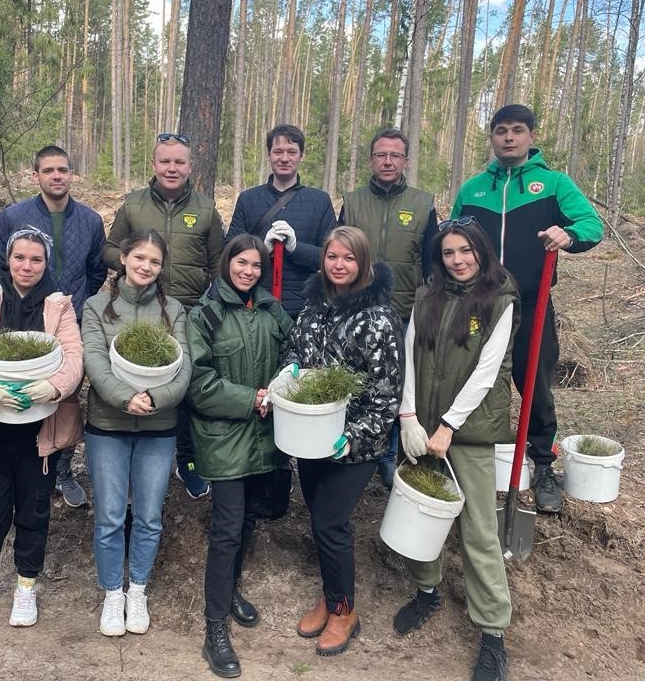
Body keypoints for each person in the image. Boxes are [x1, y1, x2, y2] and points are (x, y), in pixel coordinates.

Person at [452, 104, 603, 513]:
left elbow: (592, 226)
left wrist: (567, 233)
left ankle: (541, 464)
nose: (509, 138)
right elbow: (451, 239)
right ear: (492, 137)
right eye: (501, 130)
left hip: (531, 304)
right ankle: (463, 452)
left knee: (533, 384)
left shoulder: (553, 184)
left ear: (530, 137)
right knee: (470, 377)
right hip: (479, 302)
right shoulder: (472, 190)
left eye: (517, 130)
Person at [392, 218, 520, 681]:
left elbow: (488, 371)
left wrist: (448, 426)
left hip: (466, 433)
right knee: (420, 511)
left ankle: (492, 632)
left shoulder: (499, 299)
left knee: (478, 530)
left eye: (465, 250)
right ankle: (427, 591)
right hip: (421, 425)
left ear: (481, 251)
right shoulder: (426, 296)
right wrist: (408, 417)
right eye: (448, 253)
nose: (458, 260)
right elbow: (408, 355)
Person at [0, 228, 84, 628]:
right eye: (20, 258)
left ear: (47, 264)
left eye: (36, 259)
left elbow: (74, 355)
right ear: (8, 260)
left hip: (40, 432)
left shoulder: (60, 307)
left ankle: (26, 586)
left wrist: (53, 387)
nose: (27, 266)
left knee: (33, 511)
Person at [284, 226, 403, 657]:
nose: (338, 265)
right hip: (311, 434)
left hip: (354, 445)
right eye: (332, 257)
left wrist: (352, 438)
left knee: (330, 523)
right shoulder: (315, 304)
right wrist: (290, 370)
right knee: (321, 520)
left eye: (348, 259)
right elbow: (298, 349)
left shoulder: (380, 318)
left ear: (363, 263)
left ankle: (344, 611)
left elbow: (387, 393)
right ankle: (333, 592)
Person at [186, 234, 293, 678]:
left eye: (255, 265)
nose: (247, 271)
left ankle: (230, 591)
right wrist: (252, 398)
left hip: (264, 437)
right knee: (227, 528)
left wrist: (287, 384)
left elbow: (292, 355)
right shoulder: (205, 314)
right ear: (227, 263)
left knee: (250, 518)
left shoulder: (271, 310)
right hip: (224, 437)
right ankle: (214, 629)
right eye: (240, 263)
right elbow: (198, 382)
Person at [103, 133, 226, 500]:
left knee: (185, 388)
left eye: (180, 162)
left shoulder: (205, 209)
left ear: (190, 166)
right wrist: (134, 262)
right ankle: (129, 458)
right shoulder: (133, 205)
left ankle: (186, 461)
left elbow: (219, 264)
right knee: (131, 379)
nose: (172, 168)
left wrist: (215, 305)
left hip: (185, 311)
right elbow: (109, 249)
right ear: (154, 164)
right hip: (136, 311)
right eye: (165, 161)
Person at [81, 231, 191, 637]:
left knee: (149, 516)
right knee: (110, 516)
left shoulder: (174, 310)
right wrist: (125, 399)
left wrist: (157, 400)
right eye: (139, 257)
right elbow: (94, 359)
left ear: (162, 268)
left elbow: (185, 367)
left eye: (155, 261)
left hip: (158, 429)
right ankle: (113, 592)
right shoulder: (96, 307)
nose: (146, 266)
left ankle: (137, 589)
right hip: (107, 426)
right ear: (123, 258)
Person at [0, 144, 106, 509]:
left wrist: (73, 304)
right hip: (20, 324)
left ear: (72, 175)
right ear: (35, 176)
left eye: (63, 170)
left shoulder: (90, 220)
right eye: (49, 170)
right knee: (19, 391)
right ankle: (20, 464)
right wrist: (22, 306)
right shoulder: (14, 216)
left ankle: (62, 468)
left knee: (66, 395)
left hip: (72, 320)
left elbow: (97, 270)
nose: (57, 176)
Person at [339, 127, 439, 490]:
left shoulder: (423, 203)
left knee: (395, 384)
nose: (387, 161)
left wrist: (427, 309)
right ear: (371, 159)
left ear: (405, 161)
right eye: (381, 154)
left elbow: (432, 264)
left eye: (395, 155)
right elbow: (339, 255)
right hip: (357, 310)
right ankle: (352, 444)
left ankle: (386, 454)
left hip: (403, 312)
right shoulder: (352, 202)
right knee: (357, 380)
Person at [226, 124, 337, 318]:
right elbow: (229, 251)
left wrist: (296, 248)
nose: (284, 158)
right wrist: (261, 249)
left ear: (301, 156)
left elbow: (332, 258)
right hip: (253, 307)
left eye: (292, 152)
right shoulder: (248, 199)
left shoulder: (320, 201)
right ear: (269, 154)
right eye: (278, 151)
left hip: (304, 312)